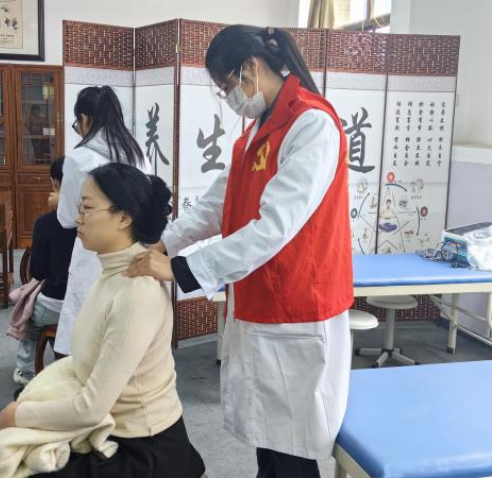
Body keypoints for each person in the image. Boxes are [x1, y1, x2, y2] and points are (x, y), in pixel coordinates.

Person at [126, 25, 354, 478]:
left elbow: (273, 228)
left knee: (290, 447)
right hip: (259, 299)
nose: (229, 97)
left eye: (226, 86)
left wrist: (181, 269)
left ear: (250, 67)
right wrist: (165, 242)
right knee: (269, 438)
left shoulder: (312, 125)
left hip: (297, 308)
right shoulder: (256, 133)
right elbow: (216, 205)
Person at [0, 163, 205, 478]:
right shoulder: (111, 273)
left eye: (87, 208)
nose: (78, 218)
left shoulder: (137, 292)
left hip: (141, 448)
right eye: (78, 207)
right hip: (107, 429)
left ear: (123, 217)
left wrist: (19, 415)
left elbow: (91, 408)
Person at [54, 86, 149, 357]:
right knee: (126, 330)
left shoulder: (79, 157)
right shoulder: (136, 152)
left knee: (87, 329)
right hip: (132, 250)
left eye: (77, 125)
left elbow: (66, 219)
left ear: (84, 119)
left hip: (93, 255)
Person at [13, 157, 77, 386]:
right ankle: (63, 358)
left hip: (54, 304)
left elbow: (38, 271)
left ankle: (25, 370)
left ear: (55, 184)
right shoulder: (95, 222)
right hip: (89, 303)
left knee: (30, 319)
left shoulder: (45, 223)